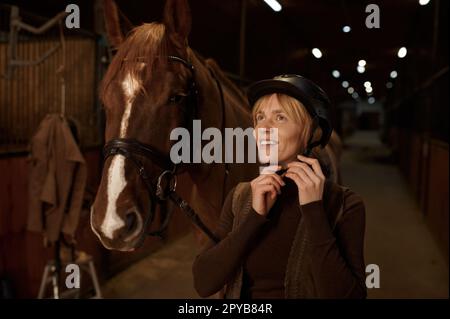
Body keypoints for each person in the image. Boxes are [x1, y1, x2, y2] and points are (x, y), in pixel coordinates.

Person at [192, 74, 367, 299]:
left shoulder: (345, 205)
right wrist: (254, 217)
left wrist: (314, 211)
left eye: (280, 118)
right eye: (259, 117)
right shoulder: (240, 197)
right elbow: (204, 283)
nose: (263, 127)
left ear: (311, 132)